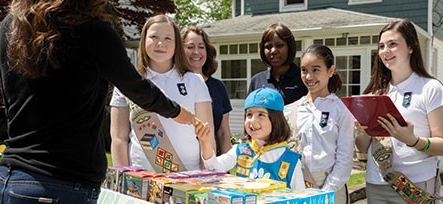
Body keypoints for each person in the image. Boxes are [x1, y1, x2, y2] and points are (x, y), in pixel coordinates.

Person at [0, 0, 197, 203]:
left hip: (10, 180)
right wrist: (175, 111)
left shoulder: (10, 27)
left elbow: (9, 98)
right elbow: (136, 87)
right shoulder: (92, 31)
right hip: (63, 185)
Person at [354, 19, 443, 203]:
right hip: (376, 182)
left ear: (410, 47)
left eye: (393, 44)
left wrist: (412, 140)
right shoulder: (375, 93)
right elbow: (362, 146)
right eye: (382, 46)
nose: (385, 51)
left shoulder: (431, 88)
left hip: (414, 184)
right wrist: (364, 132)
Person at [110, 15, 215, 172]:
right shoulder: (128, 83)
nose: (160, 43)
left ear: (177, 45)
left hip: (188, 177)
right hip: (141, 179)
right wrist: (123, 176)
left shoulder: (195, 81)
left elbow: (207, 134)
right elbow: (119, 138)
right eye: (154, 37)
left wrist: (208, 172)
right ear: (144, 40)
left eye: (168, 38)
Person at [196, 87, 305, 189]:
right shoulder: (240, 151)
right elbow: (213, 166)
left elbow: (301, 196)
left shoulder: (291, 160)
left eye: (261, 115)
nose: (252, 121)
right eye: (249, 115)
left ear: (276, 120)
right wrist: (205, 141)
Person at [284, 45, 354, 204]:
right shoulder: (290, 110)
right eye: (304, 70)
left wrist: (326, 192)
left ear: (331, 71)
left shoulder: (341, 110)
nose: (308, 76)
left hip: (331, 187)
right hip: (297, 187)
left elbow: (345, 158)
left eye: (316, 70)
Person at [181, 26, 233, 156]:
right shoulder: (174, 84)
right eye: (190, 47)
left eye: (201, 47)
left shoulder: (218, 87)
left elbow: (223, 132)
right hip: (181, 160)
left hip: (209, 158)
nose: (196, 52)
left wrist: (228, 164)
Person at [248, 23, 307, 105]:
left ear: (289, 47)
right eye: (268, 47)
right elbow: (250, 114)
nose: (273, 51)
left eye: (279, 45)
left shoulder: (304, 77)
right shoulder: (257, 81)